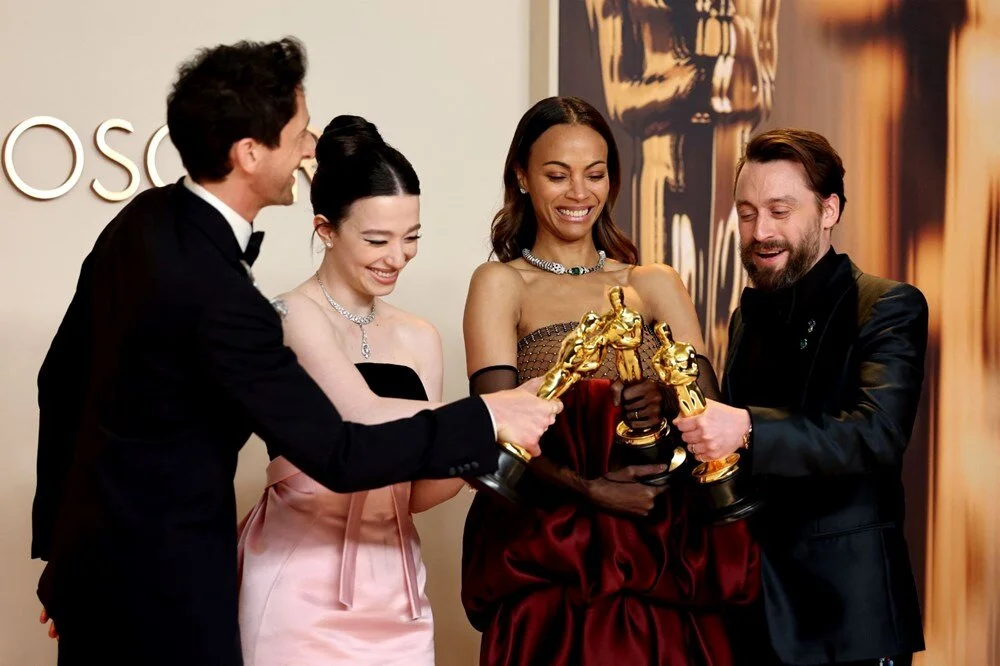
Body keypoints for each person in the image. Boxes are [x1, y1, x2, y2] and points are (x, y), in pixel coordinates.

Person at [30, 38, 558, 666]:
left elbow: (59, 381)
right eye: (299, 132)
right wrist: (488, 416)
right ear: (250, 153)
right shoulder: (231, 300)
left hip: (98, 578)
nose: (310, 147)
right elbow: (339, 450)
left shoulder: (140, 221)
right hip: (170, 594)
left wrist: (62, 554)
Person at [461, 96, 759, 666]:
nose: (579, 193)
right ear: (522, 176)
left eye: (594, 174)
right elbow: (491, 435)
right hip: (554, 554)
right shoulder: (501, 283)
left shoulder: (655, 282)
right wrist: (590, 489)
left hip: (663, 548)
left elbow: (712, 419)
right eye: (557, 175)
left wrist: (666, 396)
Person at [674, 128, 927, 666]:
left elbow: (876, 434)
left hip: (849, 621)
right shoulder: (746, 317)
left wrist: (746, 427)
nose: (760, 231)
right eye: (746, 214)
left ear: (828, 210)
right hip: (753, 612)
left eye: (779, 211)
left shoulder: (888, 305)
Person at [236, 115, 467, 665]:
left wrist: (480, 460)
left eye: (411, 238)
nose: (397, 257)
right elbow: (357, 418)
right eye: (377, 240)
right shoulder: (290, 315)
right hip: (299, 584)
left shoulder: (420, 336)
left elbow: (416, 491)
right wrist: (485, 422)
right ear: (325, 230)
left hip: (396, 586)